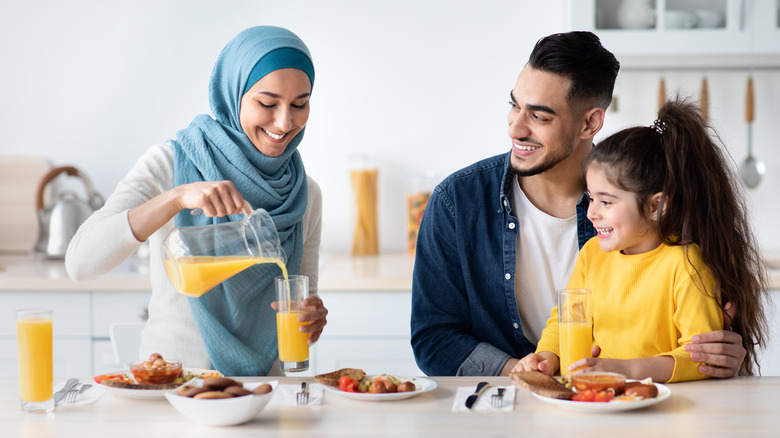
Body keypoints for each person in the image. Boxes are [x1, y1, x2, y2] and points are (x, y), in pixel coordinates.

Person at [410, 31, 748, 377]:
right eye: (514, 105)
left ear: (590, 122)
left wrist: (723, 353)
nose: (516, 128)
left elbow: (701, 340)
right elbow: (434, 339)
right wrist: (529, 374)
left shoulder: (645, 203)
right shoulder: (457, 202)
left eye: (539, 117)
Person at [65, 26, 328, 376]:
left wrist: (312, 319)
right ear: (233, 95)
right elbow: (80, 263)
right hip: (170, 386)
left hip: (264, 394)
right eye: (267, 103)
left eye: (300, 104)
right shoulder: (171, 164)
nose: (284, 122)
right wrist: (175, 198)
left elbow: (296, 305)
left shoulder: (304, 194)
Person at [514, 99, 768, 382]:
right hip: (601, 401)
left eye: (606, 202)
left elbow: (702, 359)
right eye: (591, 198)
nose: (591, 213)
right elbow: (564, 323)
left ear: (655, 206)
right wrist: (547, 357)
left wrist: (627, 370)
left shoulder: (685, 264)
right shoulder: (592, 254)